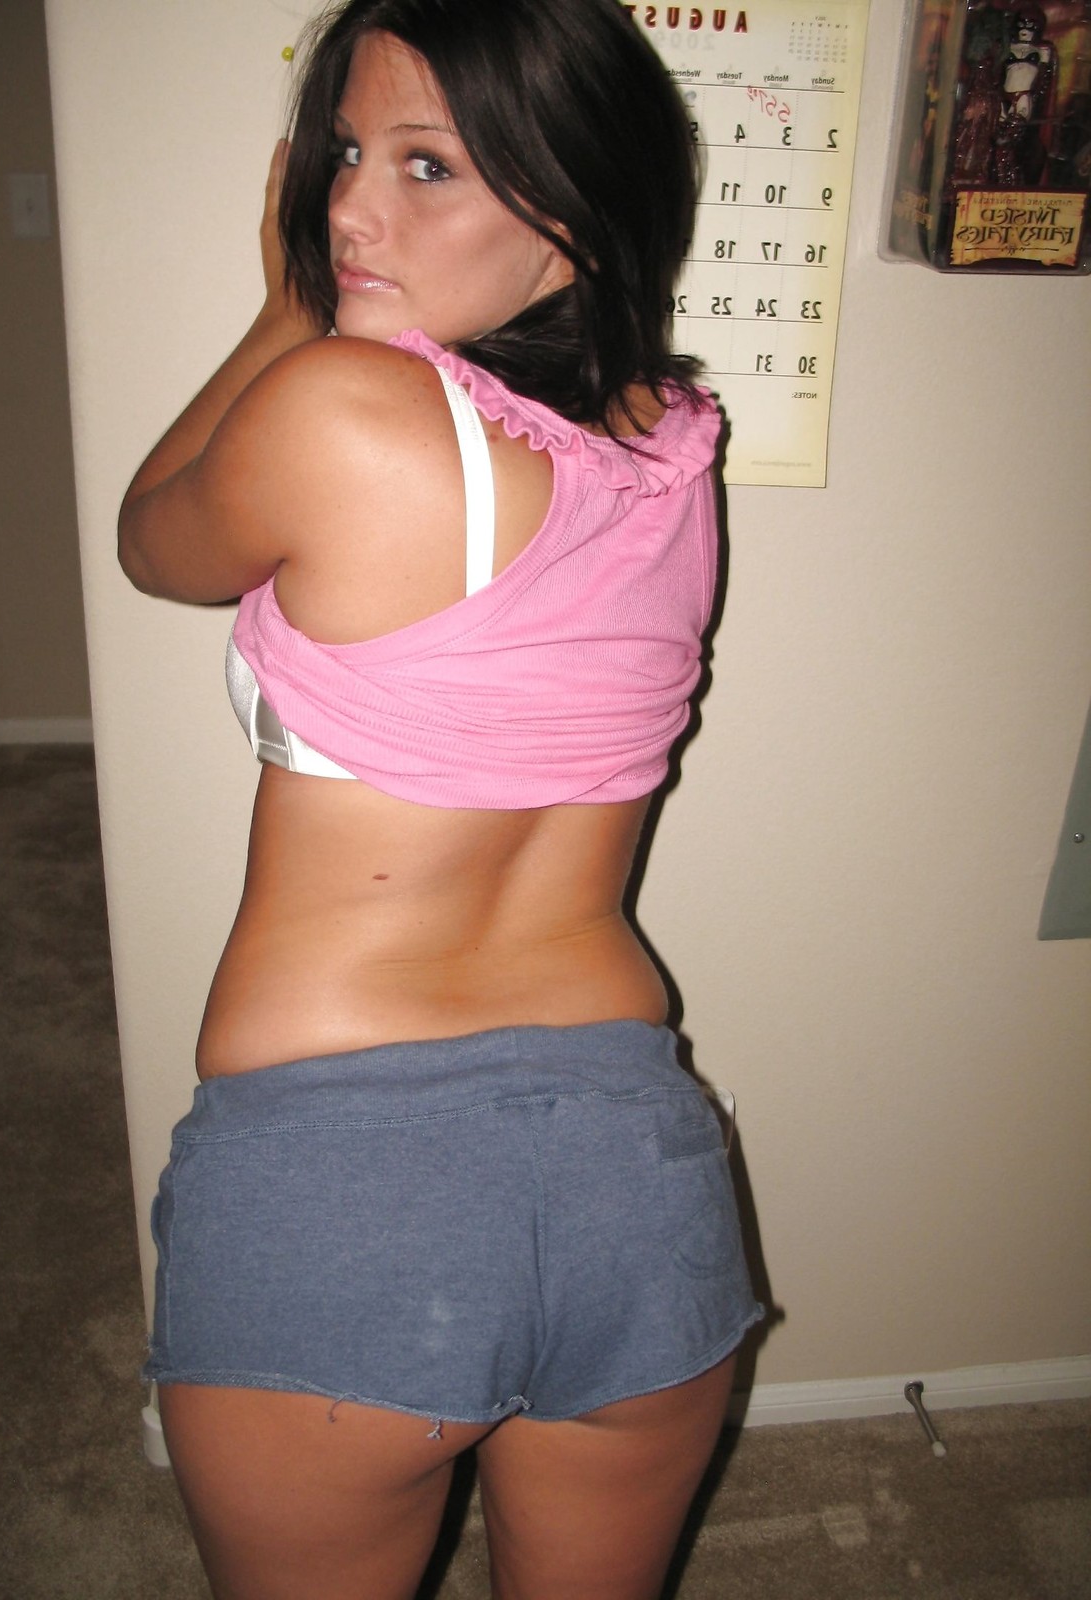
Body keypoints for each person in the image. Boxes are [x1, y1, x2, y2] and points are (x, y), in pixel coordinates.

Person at [118, 0, 760, 1594]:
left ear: (572, 207)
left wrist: (283, 315)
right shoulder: (675, 447)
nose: (349, 207)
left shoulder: (340, 405)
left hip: (332, 1181)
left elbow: (153, 541)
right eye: (345, 152)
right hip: (637, 1170)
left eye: (426, 166)